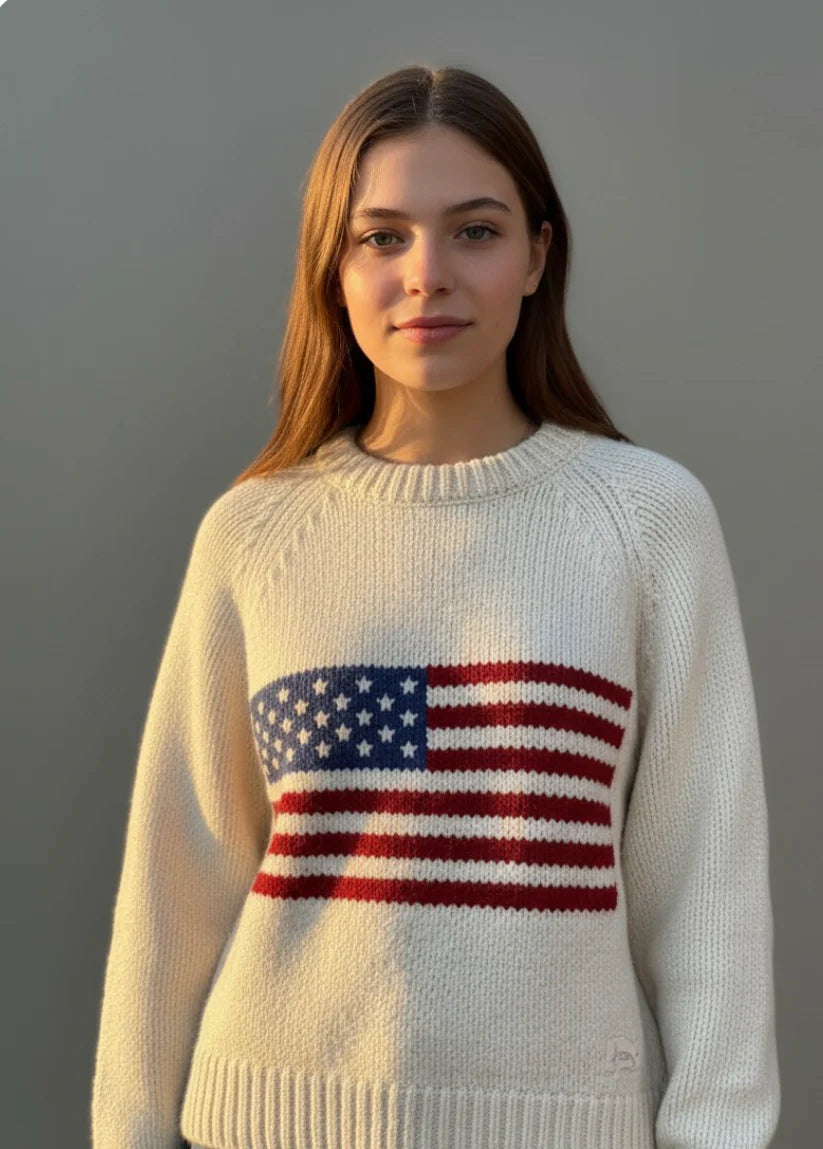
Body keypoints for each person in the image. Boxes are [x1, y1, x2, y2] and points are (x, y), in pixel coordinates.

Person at [90, 63, 780, 1149]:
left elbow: (707, 882)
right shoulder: (254, 534)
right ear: (333, 266)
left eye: (473, 230)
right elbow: (173, 882)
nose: (427, 276)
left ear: (536, 256)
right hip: (264, 1121)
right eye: (382, 237)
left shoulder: (648, 523)